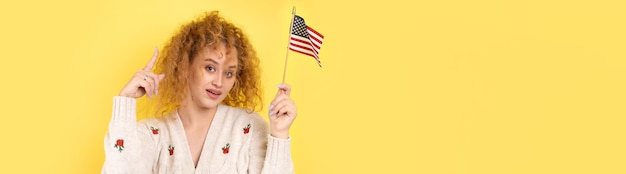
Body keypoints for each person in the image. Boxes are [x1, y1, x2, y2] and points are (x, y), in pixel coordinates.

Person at [102, 11, 297, 174]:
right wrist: (125, 104)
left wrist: (280, 134)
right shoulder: (154, 134)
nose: (219, 82)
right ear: (185, 66)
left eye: (229, 73)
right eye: (210, 68)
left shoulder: (249, 128)